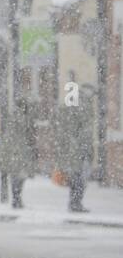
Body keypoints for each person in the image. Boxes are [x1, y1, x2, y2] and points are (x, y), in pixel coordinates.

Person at [53, 83, 93, 213]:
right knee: (78, 179)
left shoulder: (73, 107)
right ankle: (75, 204)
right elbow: (78, 131)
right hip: (78, 150)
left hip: (78, 150)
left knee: (78, 178)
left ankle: (75, 203)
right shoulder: (80, 108)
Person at [0, 98, 36, 209]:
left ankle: (17, 198)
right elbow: (15, 136)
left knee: (19, 176)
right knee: (18, 176)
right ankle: (16, 199)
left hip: (18, 151)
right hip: (18, 152)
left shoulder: (20, 118)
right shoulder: (19, 118)